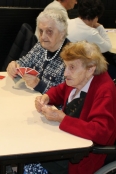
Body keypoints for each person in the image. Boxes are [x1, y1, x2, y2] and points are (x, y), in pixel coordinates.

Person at [35, 41, 116, 174]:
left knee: (28, 159)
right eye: (66, 66)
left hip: (82, 157)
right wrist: (47, 97)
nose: (65, 73)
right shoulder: (80, 79)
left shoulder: (104, 91)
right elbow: (61, 90)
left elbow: (101, 132)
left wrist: (63, 119)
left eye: (71, 67)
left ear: (90, 69)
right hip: (67, 143)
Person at [6, 9, 69, 94]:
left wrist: (39, 85)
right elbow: (23, 63)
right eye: (41, 31)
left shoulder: (70, 58)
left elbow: (64, 96)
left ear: (62, 34)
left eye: (49, 31)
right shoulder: (40, 46)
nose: (43, 37)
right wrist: (14, 66)